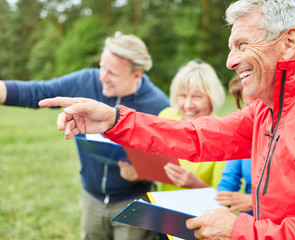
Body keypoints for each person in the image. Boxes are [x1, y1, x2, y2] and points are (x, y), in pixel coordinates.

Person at [39, 0, 295, 239]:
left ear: (289, 42)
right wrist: (113, 120)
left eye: (242, 44)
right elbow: (195, 137)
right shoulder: (267, 109)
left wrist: (240, 229)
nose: (231, 60)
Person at [0, 31, 169, 240]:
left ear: (137, 74)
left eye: (112, 73)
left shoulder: (158, 105)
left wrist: (142, 173)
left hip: (134, 201)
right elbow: (38, 91)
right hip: (92, 198)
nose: (102, 77)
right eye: (101, 67)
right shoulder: (85, 81)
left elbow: (170, 164)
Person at [118, 60, 226, 191]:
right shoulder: (167, 117)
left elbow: (225, 198)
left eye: (197, 97)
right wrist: (138, 174)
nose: (188, 105)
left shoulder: (222, 134)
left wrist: (195, 184)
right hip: (164, 206)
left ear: (212, 98)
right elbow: (157, 168)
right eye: (182, 96)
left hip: (199, 211)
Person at [216, 74, 255, 216]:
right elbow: (229, 180)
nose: (251, 114)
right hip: (250, 222)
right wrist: (218, 207)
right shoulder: (246, 134)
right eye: (247, 107)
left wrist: (255, 201)